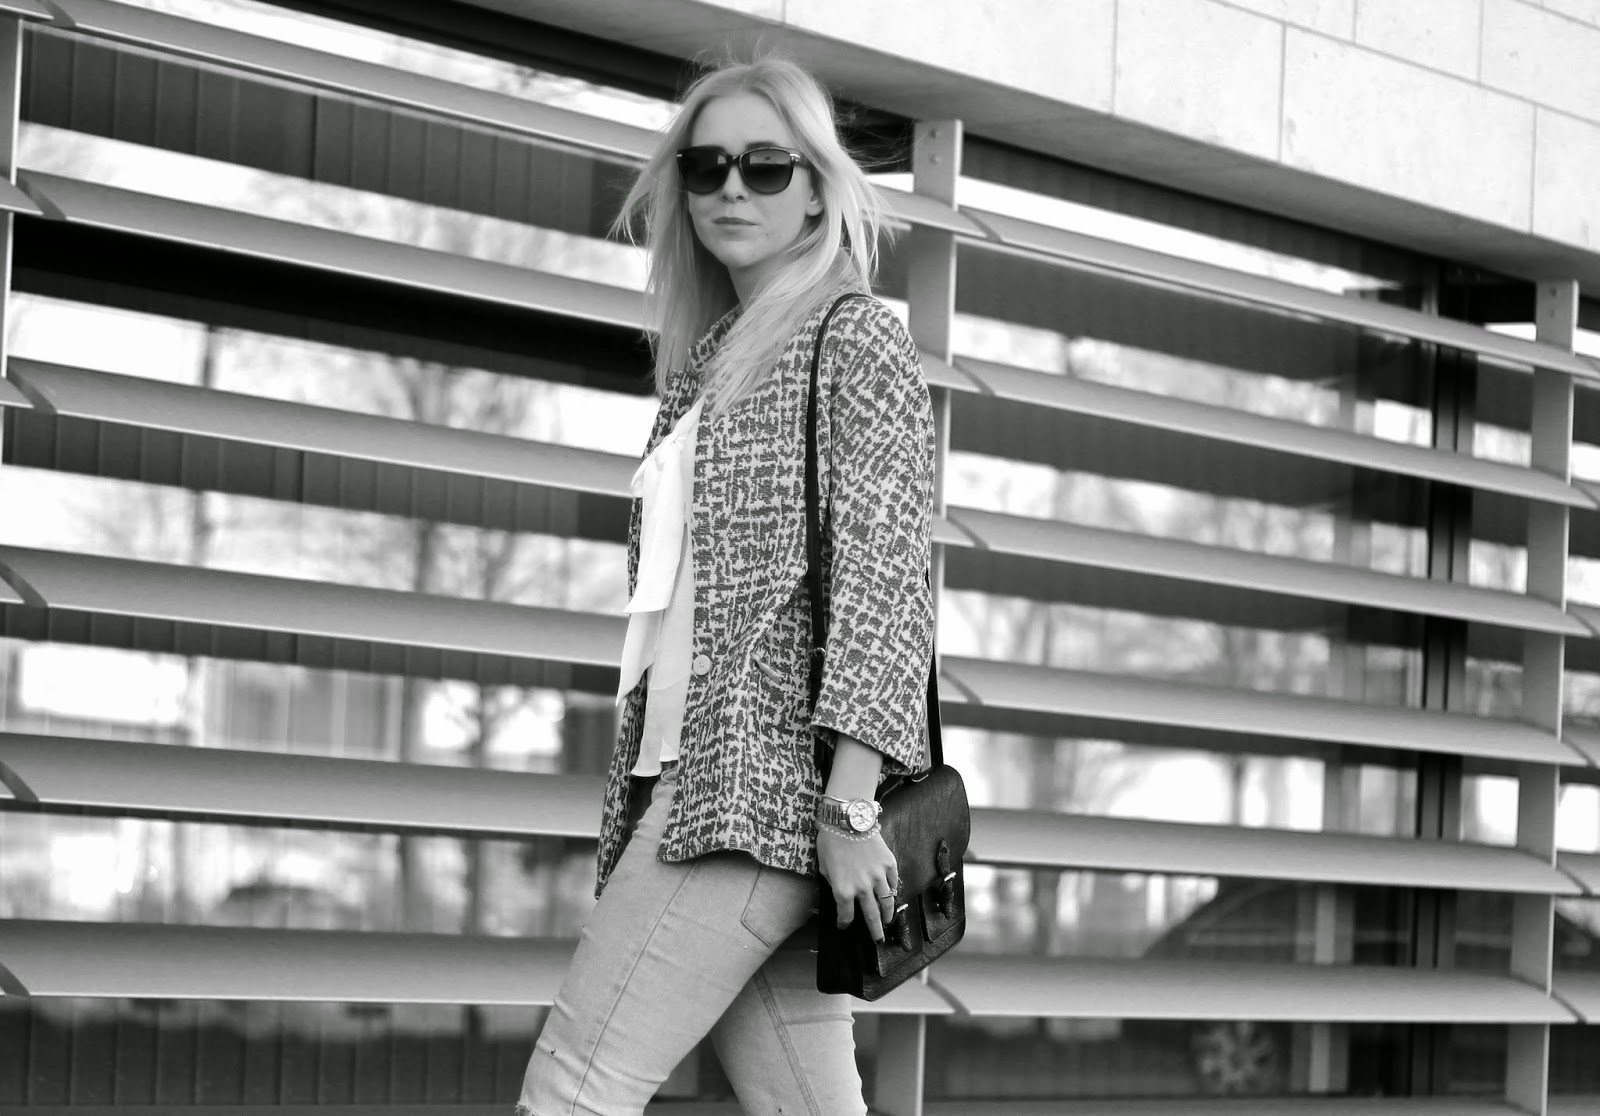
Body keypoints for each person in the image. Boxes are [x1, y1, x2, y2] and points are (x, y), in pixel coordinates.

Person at [515, 52, 935, 1116]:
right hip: (706, 790)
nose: (731, 189)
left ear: (818, 190)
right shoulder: (713, 360)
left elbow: (886, 587)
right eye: (705, 168)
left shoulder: (854, 339)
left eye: (765, 166)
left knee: (571, 1091)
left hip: (750, 801)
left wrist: (849, 809)